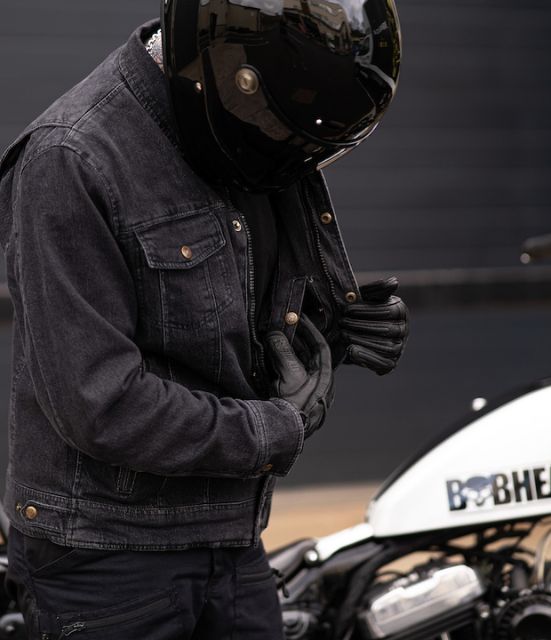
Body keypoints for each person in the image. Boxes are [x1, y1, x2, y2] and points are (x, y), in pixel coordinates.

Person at [0, 1, 408, 638]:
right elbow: (101, 403)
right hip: (109, 556)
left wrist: (337, 330)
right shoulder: (70, 159)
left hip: (229, 532)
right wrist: (271, 430)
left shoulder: (252, 131)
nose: (282, 141)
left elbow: (231, 322)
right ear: (222, 64)